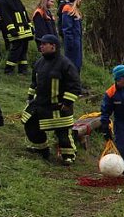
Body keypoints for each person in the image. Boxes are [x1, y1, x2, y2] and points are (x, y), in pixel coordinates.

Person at [21, 34, 81, 163]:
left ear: (53, 46)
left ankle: (69, 156)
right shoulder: (38, 63)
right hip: (40, 106)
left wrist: (67, 102)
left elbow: (75, 86)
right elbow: (34, 83)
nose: (40, 46)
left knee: (63, 134)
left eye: (44, 44)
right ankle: (42, 150)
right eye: (40, 44)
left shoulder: (65, 64)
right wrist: (30, 98)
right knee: (31, 126)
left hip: (58, 107)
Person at [0, 0, 33, 75]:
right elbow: (6, 17)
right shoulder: (4, 0)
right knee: (16, 50)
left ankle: (23, 70)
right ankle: (8, 70)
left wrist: (30, 26)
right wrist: (12, 29)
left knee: (23, 50)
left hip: (24, 30)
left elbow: (24, 14)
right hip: (15, 30)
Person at [60, 0, 83, 72]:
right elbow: (67, 29)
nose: (80, 1)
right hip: (72, 43)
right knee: (71, 65)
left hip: (77, 42)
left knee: (77, 65)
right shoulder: (67, 10)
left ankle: (77, 82)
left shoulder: (76, 11)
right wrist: (70, 43)